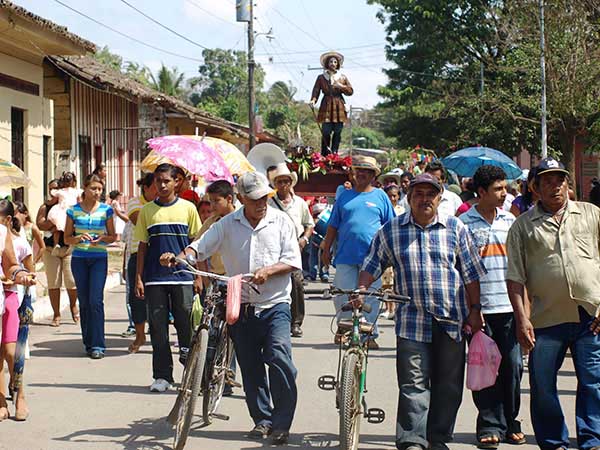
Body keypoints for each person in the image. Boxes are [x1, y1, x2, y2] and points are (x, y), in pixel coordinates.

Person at [160, 171, 302, 445]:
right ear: (241, 199)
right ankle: (263, 420)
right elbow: (199, 248)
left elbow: (292, 261)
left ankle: (282, 423)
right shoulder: (227, 224)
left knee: (279, 358)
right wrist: (179, 258)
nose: (261, 203)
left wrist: (269, 271)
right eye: (254, 199)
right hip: (240, 303)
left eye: (265, 197)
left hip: (275, 305)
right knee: (249, 366)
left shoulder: (280, 222)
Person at [358, 173, 487, 450]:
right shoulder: (392, 230)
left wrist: (475, 310)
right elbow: (371, 264)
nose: (424, 199)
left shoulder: (455, 228)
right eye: (418, 194)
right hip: (411, 321)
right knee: (413, 385)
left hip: (451, 319)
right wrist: (361, 289)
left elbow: (471, 274)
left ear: (440, 198)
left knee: (448, 385)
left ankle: (437, 437)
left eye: (430, 194)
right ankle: (412, 440)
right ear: (409, 198)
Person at [506, 158, 600, 450]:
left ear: (568, 184)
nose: (555, 185)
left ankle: (592, 439)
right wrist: (522, 319)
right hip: (546, 319)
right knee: (543, 385)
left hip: (590, 316)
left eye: (559, 179)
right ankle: (553, 441)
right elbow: (515, 278)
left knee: (593, 383)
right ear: (535, 188)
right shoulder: (522, 226)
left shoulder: (591, 214)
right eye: (547, 180)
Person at [459, 166, 524, 448]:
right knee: (485, 369)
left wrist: (526, 312)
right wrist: (471, 310)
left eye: (505, 188)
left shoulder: (511, 221)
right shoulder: (462, 224)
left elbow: (522, 268)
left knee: (512, 367)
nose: (504, 193)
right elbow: (459, 271)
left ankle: (511, 422)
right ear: (481, 192)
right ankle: (489, 424)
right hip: (478, 310)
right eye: (498, 189)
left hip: (509, 308)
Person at [134, 163, 202, 393]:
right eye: (158, 181)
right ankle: (162, 375)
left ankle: (191, 372)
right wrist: (139, 278)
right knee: (158, 328)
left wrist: (198, 276)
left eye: (166, 181)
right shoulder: (146, 211)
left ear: (177, 182)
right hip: (154, 278)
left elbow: (197, 244)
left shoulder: (188, 208)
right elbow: (142, 247)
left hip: (183, 277)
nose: (161, 185)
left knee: (185, 325)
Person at [321, 155, 395, 348]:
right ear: (353, 173)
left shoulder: (381, 197)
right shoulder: (344, 196)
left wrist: (392, 255)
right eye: (359, 170)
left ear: (373, 175)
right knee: (343, 294)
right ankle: (345, 330)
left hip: (373, 258)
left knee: (371, 296)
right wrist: (326, 249)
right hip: (345, 255)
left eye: (367, 171)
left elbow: (390, 227)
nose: (362, 173)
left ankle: (369, 334)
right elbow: (333, 225)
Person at [64, 174, 115, 359]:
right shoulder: (72, 211)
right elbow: (66, 238)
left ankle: (98, 345)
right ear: (84, 189)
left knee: (95, 301)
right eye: (93, 188)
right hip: (79, 259)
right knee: (84, 302)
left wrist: (102, 239)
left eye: (100, 189)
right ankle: (88, 341)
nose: (97, 192)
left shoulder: (106, 210)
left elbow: (113, 236)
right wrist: (78, 238)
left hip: (99, 259)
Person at [268, 163, 314, 338]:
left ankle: (296, 322)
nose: (283, 185)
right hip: (273, 247)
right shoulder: (269, 203)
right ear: (276, 184)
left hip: (294, 247)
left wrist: (304, 239)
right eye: (280, 181)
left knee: (297, 283)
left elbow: (309, 224)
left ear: (291, 183)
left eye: (286, 181)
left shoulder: (300, 203)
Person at [0, 212, 36, 421]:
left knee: (11, 351)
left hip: (8, 296)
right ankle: (2, 399)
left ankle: (19, 395)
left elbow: (11, 264)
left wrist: (20, 275)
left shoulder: (3, 233)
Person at [36, 179, 79, 327]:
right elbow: (40, 224)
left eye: (55, 189)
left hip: (69, 248)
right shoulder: (46, 207)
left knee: (71, 281)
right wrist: (54, 224)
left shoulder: (72, 204)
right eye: (50, 189)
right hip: (50, 250)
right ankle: (56, 314)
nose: (52, 192)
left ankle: (74, 307)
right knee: (53, 283)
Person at [123, 173, 156, 351]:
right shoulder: (135, 203)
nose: (159, 190)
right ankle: (140, 335)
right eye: (156, 185)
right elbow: (139, 221)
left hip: (157, 254)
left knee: (158, 297)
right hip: (138, 254)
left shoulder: (161, 204)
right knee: (137, 297)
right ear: (146, 187)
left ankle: (158, 334)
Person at [310, 51, 354, 155]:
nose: (333, 64)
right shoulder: (321, 77)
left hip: (339, 105)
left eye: (335, 62)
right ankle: (325, 154)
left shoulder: (342, 77)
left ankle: (334, 152)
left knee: (338, 131)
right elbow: (316, 90)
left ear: (338, 64)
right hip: (326, 105)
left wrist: (341, 87)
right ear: (327, 64)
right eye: (330, 62)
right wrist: (313, 100)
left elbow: (351, 91)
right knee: (326, 131)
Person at [47, 172, 81, 255]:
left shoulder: (60, 192)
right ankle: (70, 244)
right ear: (74, 182)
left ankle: (56, 244)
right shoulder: (77, 192)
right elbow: (80, 202)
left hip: (61, 211)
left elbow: (53, 201)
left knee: (57, 229)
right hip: (72, 211)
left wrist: (47, 203)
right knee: (71, 228)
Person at [14, 201, 45, 266]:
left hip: (27, 262)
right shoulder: (12, 227)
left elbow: (42, 247)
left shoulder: (32, 228)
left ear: (25, 214)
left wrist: (34, 261)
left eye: (16, 213)